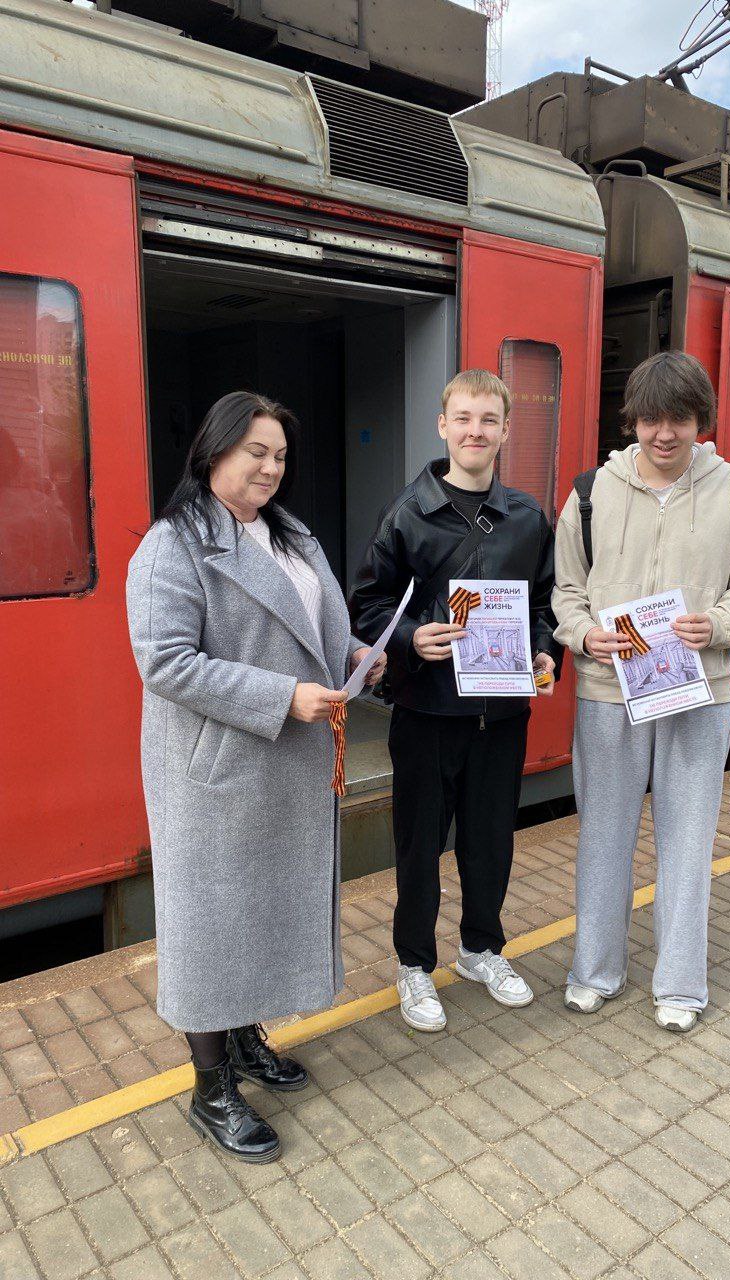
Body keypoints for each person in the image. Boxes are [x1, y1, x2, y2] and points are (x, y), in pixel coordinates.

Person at [126, 391, 384, 1163]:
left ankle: (244, 1041)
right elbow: (165, 663)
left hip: (284, 763)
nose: (271, 468)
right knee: (210, 929)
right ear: (214, 456)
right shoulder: (170, 547)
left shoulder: (289, 535)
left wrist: (355, 656)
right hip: (217, 773)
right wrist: (283, 696)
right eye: (255, 453)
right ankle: (210, 1092)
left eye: (279, 455)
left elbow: (313, 628)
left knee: (257, 912)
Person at [552, 351, 730, 1033]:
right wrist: (583, 635)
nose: (664, 434)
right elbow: (565, 588)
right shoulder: (591, 490)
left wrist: (716, 624)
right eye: (651, 420)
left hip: (699, 690)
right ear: (633, 421)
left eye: (679, 420)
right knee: (604, 836)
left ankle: (680, 986)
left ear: (699, 421)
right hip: (605, 688)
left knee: (688, 840)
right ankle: (594, 971)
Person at [350, 369, 562, 1032]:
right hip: (426, 712)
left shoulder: (528, 516)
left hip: (501, 715)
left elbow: (546, 604)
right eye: (463, 418)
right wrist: (415, 637)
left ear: (504, 430)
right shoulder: (407, 513)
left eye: (488, 420)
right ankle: (414, 965)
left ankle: (480, 951)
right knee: (419, 847)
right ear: (443, 426)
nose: (475, 431)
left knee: (491, 841)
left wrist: (545, 648)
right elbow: (367, 606)